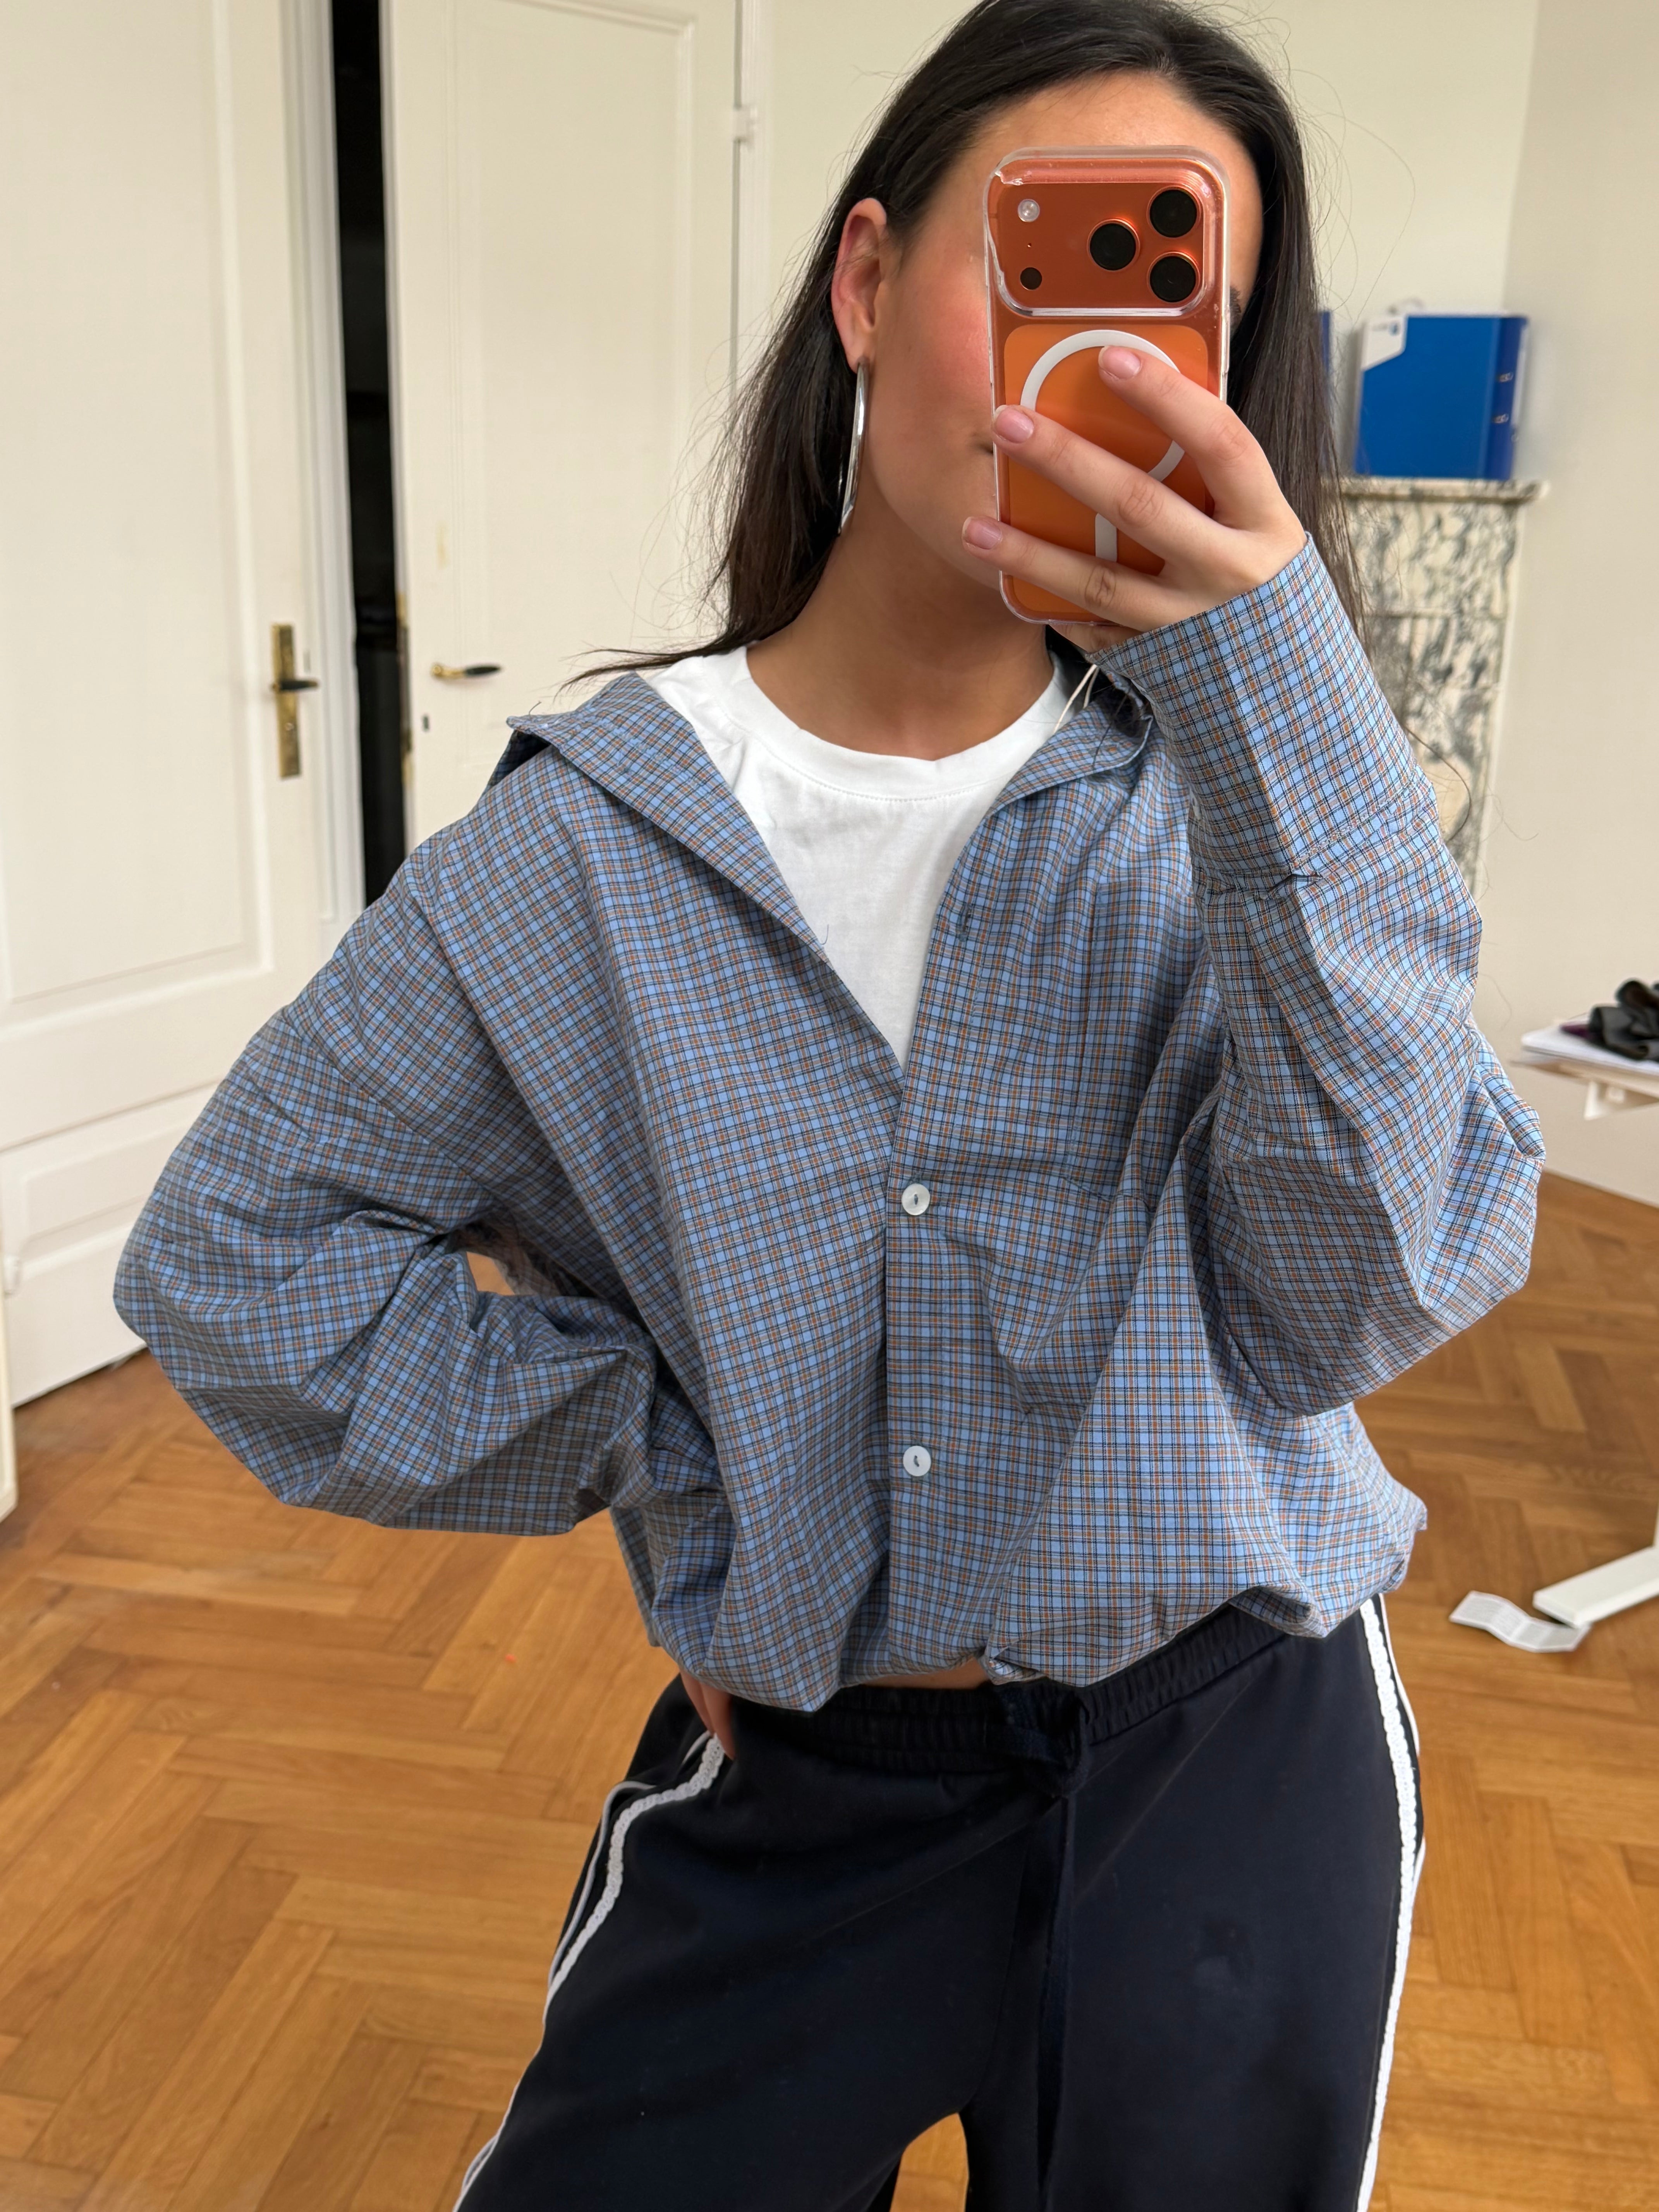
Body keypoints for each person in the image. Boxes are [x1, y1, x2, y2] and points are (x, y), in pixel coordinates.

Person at [115, 1, 1544, 2205]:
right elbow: (235, 1263)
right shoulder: (579, 854)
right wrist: (655, 1448)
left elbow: (1358, 1297)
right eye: (1048, 258)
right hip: (807, 1772)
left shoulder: (1244, 820)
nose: (1105, 366)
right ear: (869, 282)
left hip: (1237, 1753)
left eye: (1177, 298)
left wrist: (1281, 708)